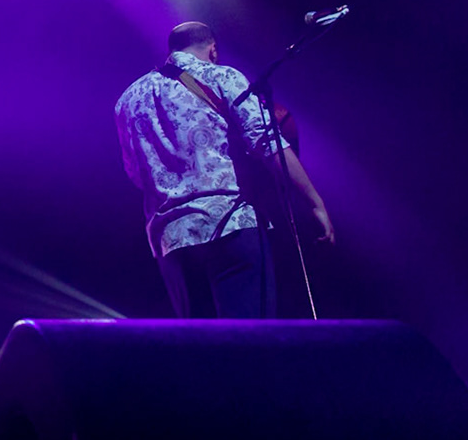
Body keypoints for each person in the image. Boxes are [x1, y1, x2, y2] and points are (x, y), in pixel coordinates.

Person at [115, 21, 334, 319]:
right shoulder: (221, 76)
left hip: (172, 241)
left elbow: (135, 174)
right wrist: (314, 202)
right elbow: (267, 141)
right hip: (230, 226)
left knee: (202, 352)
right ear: (213, 50)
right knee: (251, 344)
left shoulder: (128, 99)